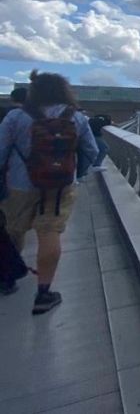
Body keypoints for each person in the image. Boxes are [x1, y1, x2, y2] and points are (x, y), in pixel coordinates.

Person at [0, 71, 97, 312]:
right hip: (60, 186)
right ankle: (43, 294)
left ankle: (7, 277)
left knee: (13, 229)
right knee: (50, 232)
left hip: (20, 185)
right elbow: (91, 151)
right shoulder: (77, 118)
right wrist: (77, 174)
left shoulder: (16, 117)